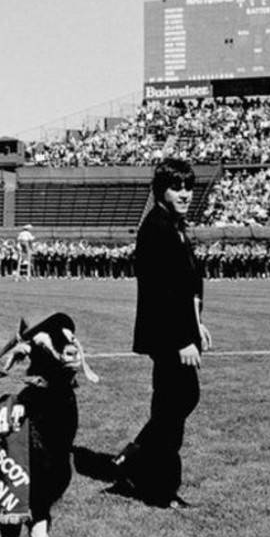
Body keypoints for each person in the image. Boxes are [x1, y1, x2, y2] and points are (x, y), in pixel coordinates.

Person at [111, 158, 211, 509]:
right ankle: (158, 488)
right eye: (177, 187)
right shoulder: (157, 226)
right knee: (175, 404)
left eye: (188, 187)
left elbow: (186, 284)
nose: (185, 193)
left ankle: (136, 461)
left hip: (178, 330)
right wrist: (184, 337)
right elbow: (162, 292)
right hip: (170, 336)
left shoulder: (173, 224)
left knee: (178, 402)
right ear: (161, 190)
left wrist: (197, 323)